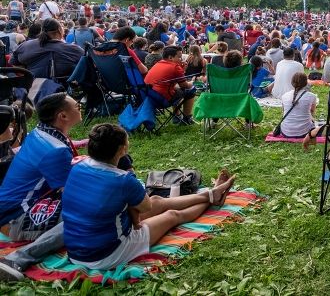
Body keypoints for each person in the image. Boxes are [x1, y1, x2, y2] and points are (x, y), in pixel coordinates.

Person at [61, 124, 235, 271]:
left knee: (158, 201)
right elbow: (146, 208)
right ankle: (213, 197)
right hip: (105, 255)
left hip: (76, 250)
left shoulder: (78, 166)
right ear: (122, 150)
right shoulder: (122, 179)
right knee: (171, 215)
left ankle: (211, 194)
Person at [0, 94, 81, 281]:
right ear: (63, 116)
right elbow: (72, 196)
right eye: (77, 106)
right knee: (85, 216)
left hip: (14, 207)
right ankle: (16, 259)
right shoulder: (55, 150)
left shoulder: (41, 132)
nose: (80, 108)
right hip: (15, 218)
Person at [10, 18, 82, 81]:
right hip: (63, 90)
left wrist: (27, 75)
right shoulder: (72, 49)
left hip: (33, 89)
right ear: (59, 30)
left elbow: (13, 61)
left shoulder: (25, 46)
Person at [143, 45, 197, 125]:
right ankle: (187, 118)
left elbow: (172, 81)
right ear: (170, 57)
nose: (181, 59)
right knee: (191, 89)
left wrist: (182, 70)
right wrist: (191, 82)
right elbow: (185, 85)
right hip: (162, 100)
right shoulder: (175, 67)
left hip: (149, 98)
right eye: (179, 57)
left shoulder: (158, 64)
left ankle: (177, 116)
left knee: (175, 89)